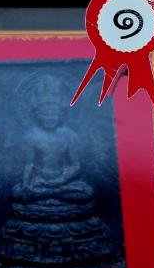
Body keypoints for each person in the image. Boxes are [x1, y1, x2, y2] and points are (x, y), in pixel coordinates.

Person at [12, 74, 94, 205]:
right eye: (45, 114)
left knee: (87, 192)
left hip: (64, 181)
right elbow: (29, 164)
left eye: (54, 114)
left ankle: (50, 193)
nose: (50, 118)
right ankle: (57, 193)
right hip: (39, 181)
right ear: (37, 114)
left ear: (61, 113)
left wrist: (61, 180)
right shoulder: (31, 136)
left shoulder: (70, 135)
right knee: (17, 192)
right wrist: (26, 184)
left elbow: (75, 166)